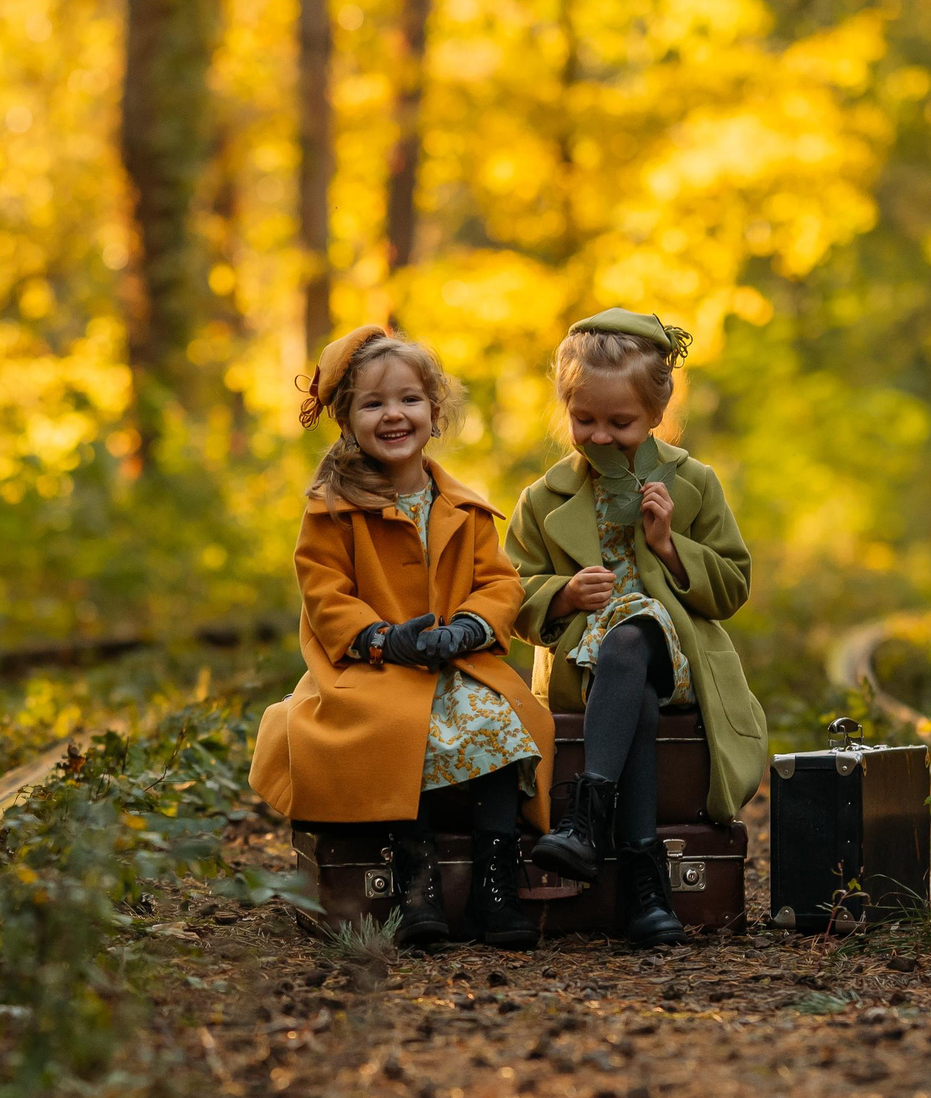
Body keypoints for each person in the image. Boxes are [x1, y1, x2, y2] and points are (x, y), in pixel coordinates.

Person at [249, 325, 555, 950]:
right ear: (348, 420)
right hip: (375, 665)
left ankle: (496, 886)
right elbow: (325, 595)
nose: (394, 415)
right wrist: (384, 639)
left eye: (409, 400)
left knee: (503, 722)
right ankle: (416, 879)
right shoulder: (331, 512)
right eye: (373, 403)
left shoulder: (464, 510)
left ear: (434, 414)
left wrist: (470, 626)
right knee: (394, 727)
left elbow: (499, 584)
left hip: (457, 663)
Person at [504, 308, 768, 947]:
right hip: (589, 675)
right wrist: (563, 596)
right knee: (631, 686)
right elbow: (508, 597)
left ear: (656, 415)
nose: (599, 437)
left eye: (619, 423)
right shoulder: (544, 498)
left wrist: (670, 545)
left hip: (678, 661)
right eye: (583, 419)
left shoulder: (694, 484)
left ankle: (589, 825)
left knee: (634, 632)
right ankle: (646, 890)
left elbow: (732, 585)